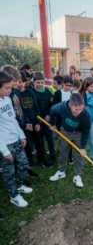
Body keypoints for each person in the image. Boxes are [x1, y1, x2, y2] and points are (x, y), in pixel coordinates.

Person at [0, 71, 32, 207]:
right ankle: (14, 196)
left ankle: (18, 186)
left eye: (10, 87)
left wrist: (21, 135)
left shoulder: (7, 99)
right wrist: (4, 151)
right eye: (7, 88)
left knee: (24, 165)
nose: (10, 90)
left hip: (16, 141)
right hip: (5, 145)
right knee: (9, 173)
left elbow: (13, 120)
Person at [49, 93, 91, 187]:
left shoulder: (86, 114)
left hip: (79, 133)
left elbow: (86, 132)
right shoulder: (62, 107)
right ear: (70, 105)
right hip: (65, 131)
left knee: (79, 154)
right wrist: (52, 123)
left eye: (81, 109)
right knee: (63, 152)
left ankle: (77, 176)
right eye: (76, 109)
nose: (79, 112)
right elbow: (52, 111)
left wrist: (83, 147)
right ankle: (61, 172)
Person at [18, 71, 51, 169]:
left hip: (34, 122)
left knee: (39, 143)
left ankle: (42, 160)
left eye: (22, 81)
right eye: (18, 82)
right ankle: (29, 163)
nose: (20, 84)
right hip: (24, 125)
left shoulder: (30, 92)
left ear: (26, 82)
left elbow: (36, 108)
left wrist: (37, 123)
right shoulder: (15, 94)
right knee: (27, 145)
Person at [32, 72, 55, 165]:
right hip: (37, 120)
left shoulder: (48, 92)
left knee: (49, 137)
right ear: (34, 82)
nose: (40, 85)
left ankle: (52, 155)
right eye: (38, 82)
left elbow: (52, 105)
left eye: (42, 82)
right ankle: (42, 156)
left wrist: (49, 115)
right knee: (40, 139)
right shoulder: (32, 93)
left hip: (47, 120)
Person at [52, 75, 74, 164]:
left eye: (70, 85)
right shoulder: (57, 93)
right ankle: (61, 154)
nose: (68, 87)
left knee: (70, 138)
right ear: (62, 84)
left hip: (70, 120)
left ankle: (69, 156)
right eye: (66, 85)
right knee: (61, 139)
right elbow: (53, 107)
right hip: (60, 120)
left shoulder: (72, 94)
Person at [79, 77, 93, 163]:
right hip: (82, 121)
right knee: (83, 140)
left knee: (92, 141)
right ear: (85, 86)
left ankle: (92, 157)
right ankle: (82, 156)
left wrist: (88, 95)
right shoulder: (80, 94)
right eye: (90, 86)